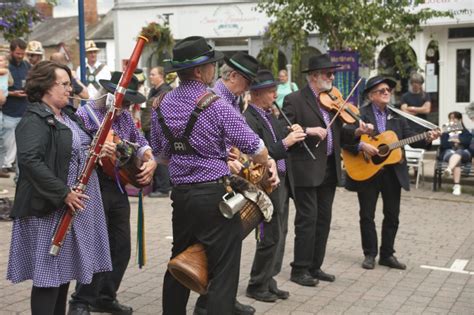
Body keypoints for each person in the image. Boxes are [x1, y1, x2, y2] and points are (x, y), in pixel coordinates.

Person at [150, 36, 272, 315]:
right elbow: (255, 147)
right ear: (198, 71)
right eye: (211, 65)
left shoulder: (159, 104)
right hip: (213, 196)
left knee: (178, 262)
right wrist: (264, 164)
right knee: (223, 270)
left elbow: (161, 154)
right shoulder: (216, 104)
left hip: (180, 197)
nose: (214, 70)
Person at [6, 61, 112, 315]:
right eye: (63, 84)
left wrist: (95, 152)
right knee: (48, 279)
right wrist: (63, 193)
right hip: (50, 209)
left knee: (63, 275)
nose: (69, 89)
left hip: (71, 207)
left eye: (69, 83)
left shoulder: (67, 116)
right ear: (45, 86)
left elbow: (69, 152)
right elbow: (30, 161)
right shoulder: (35, 119)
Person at [68, 72, 157, 315]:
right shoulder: (86, 115)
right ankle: (81, 300)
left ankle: (106, 296)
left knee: (121, 245)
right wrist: (94, 148)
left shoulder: (126, 118)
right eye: (122, 101)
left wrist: (150, 159)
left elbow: (140, 141)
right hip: (92, 184)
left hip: (116, 184)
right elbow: (73, 147)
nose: (125, 107)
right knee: (96, 244)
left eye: (129, 103)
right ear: (109, 96)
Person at [283, 53, 373, 287]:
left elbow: (341, 132)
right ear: (314, 77)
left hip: (330, 168)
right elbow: (285, 129)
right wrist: (309, 129)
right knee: (307, 219)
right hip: (306, 168)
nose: (332, 77)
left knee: (323, 219)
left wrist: (357, 132)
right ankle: (299, 269)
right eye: (328, 73)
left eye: (332, 73)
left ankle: (315, 266)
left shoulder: (332, 100)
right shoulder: (294, 99)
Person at [344, 75, 439, 270]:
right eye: (382, 91)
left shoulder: (397, 116)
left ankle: (387, 254)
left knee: (392, 215)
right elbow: (345, 140)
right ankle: (370, 254)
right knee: (367, 215)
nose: (387, 93)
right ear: (371, 95)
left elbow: (411, 137)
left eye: (388, 90)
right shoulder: (359, 114)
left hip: (393, 172)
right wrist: (362, 146)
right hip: (368, 170)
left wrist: (428, 137)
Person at [193, 51, 260, 315]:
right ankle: (208, 303)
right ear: (233, 76)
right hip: (212, 181)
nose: (249, 89)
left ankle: (222, 298)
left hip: (221, 177)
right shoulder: (218, 99)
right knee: (219, 245)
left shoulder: (231, 98)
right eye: (248, 82)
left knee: (228, 245)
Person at [244, 69, 306, 302]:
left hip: (281, 182)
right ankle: (257, 283)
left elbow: (281, 141)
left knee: (281, 234)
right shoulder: (249, 118)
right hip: (265, 184)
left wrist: (294, 133)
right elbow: (263, 152)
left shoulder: (270, 115)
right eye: (271, 91)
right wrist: (287, 141)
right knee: (269, 236)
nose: (275, 95)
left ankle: (269, 279)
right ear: (257, 93)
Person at [2, 39, 31, 176]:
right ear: (12, 52)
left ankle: (19, 178)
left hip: (24, 111)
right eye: (18, 53)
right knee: (7, 149)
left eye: (22, 53)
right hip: (9, 112)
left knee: (23, 149)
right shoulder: (5, 66)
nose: (20, 56)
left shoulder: (26, 65)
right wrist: (13, 93)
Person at [143, 66, 173, 198]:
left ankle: (163, 188)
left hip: (159, 129)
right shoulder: (153, 91)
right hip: (151, 128)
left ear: (161, 76)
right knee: (154, 156)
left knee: (159, 158)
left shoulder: (165, 91)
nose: (150, 77)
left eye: (153, 74)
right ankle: (157, 185)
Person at [440, 111, 472, 196]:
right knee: (456, 160)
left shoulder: (466, 132)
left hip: (464, 153)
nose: (452, 121)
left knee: (459, 151)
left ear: (460, 120)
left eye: (454, 118)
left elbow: (467, 142)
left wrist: (453, 139)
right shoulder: (446, 132)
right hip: (449, 152)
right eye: (450, 119)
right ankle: (457, 186)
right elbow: (444, 144)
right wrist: (458, 140)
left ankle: (449, 169)